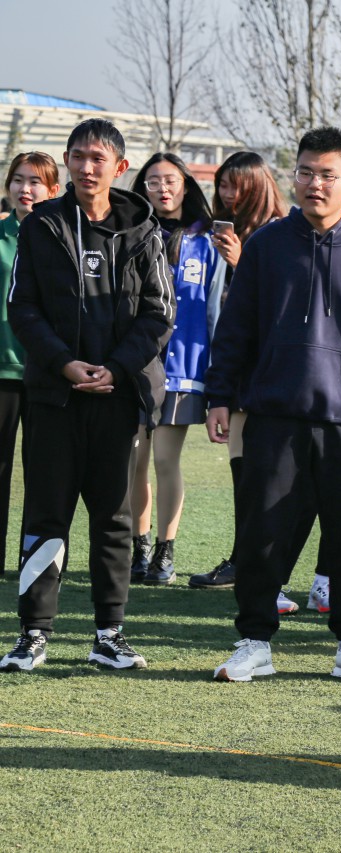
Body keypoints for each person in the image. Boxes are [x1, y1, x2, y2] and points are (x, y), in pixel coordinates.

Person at [203, 127, 341, 684]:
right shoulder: (267, 246)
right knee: (262, 532)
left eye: (327, 175)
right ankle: (254, 641)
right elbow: (236, 329)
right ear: (293, 176)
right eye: (305, 172)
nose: (315, 184)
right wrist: (219, 395)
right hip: (274, 414)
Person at [0, 119, 173, 672]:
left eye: (98, 158)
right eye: (77, 156)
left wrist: (116, 369)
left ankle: (109, 634)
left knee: (114, 519)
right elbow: (22, 308)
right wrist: (63, 363)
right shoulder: (42, 225)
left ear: (120, 167)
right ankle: (33, 634)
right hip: (54, 396)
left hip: (117, 397)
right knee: (45, 514)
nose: (86, 166)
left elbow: (159, 313)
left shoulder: (144, 230)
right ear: (67, 162)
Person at [187, 152, 287, 597]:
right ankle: (243, 558)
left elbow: (279, 305)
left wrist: (240, 262)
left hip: (273, 374)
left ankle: (264, 565)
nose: (227, 195)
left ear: (258, 186)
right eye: (223, 185)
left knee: (270, 478)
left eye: (236, 186)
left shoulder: (280, 233)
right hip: (235, 370)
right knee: (243, 472)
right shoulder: (218, 233)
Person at [126, 153, 224, 586]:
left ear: (186, 184)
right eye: (153, 182)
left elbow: (215, 309)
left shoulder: (209, 239)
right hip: (136, 364)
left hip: (185, 366)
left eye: (170, 180)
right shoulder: (132, 233)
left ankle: (166, 552)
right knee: (136, 460)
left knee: (166, 460)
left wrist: (217, 370)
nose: (162, 189)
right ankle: (140, 547)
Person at [0, 152, 59, 578]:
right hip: (2, 373)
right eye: (18, 179)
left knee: (44, 476)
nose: (26, 188)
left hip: (48, 373)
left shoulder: (61, 237)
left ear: (53, 189)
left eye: (36, 181)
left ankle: (35, 563)